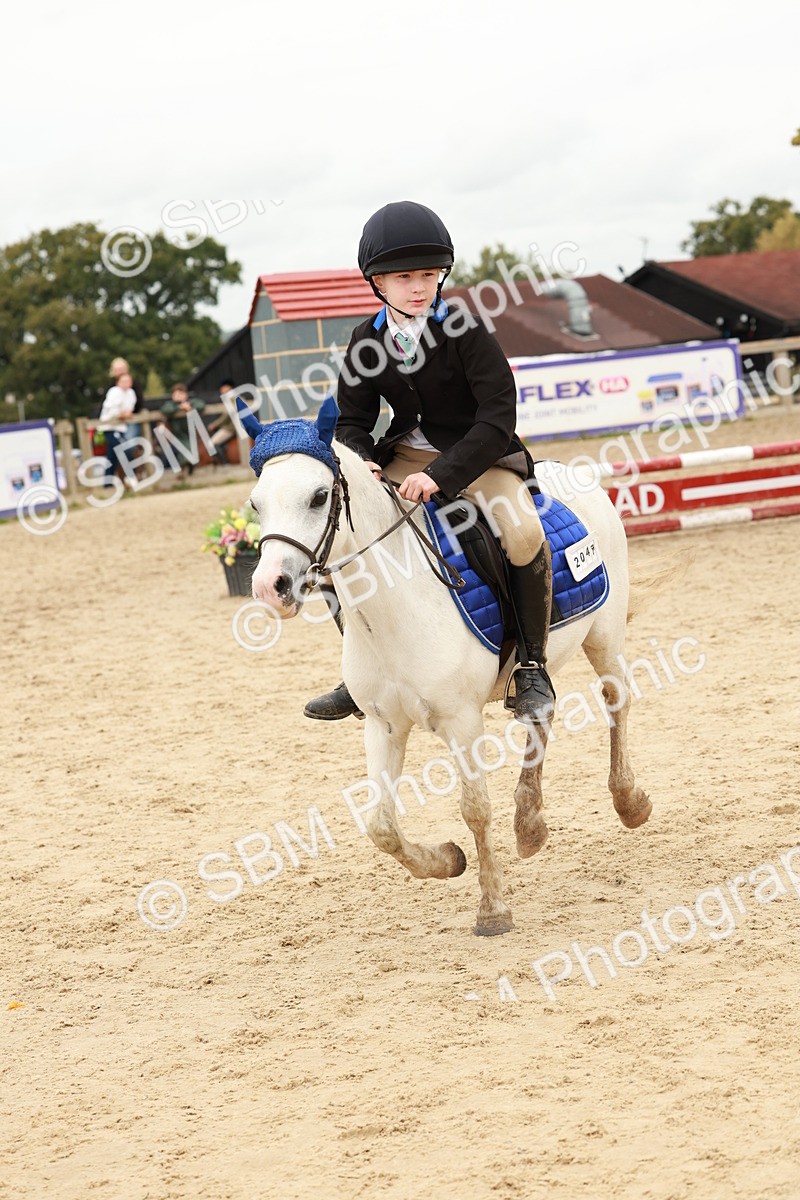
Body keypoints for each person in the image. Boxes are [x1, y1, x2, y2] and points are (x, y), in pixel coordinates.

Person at [304, 200, 555, 726]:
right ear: (378, 282)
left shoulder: (464, 328)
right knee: (342, 537)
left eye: (427, 275)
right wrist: (365, 462)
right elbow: (352, 420)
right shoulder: (366, 340)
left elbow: (497, 416)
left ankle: (531, 665)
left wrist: (440, 477)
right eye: (403, 278)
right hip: (406, 453)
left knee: (523, 532)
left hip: (479, 451)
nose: (418, 287)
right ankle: (362, 668)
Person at [157, 383, 207, 476]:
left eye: (180, 394)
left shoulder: (192, 402)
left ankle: (188, 465)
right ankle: (186, 464)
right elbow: (165, 409)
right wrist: (179, 407)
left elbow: (201, 405)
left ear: (186, 395)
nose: (178, 396)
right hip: (176, 435)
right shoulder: (170, 405)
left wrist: (190, 407)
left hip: (190, 434)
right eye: (175, 394)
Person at [97, 370, 136, 487]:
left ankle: (107, 483)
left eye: (128, 381)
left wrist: (126, 414)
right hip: (109, 427)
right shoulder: (114, 392)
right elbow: (111, 411)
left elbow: (129, 409)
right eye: (123, 381)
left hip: (121, 428)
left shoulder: (131, 393)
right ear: (118, 382)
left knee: (112, 455)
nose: (126, 383)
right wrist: (121, 414)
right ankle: (130, 477)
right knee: (122, 449)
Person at [207, 379, 237, 465]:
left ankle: (224, 463)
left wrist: (215, 424)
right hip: (233, 426)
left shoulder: (231, 399)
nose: (221, 390)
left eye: (223, 388)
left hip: (231, 427)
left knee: (211, 443)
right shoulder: (234, 397)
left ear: (229, 388)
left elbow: (226, 416)